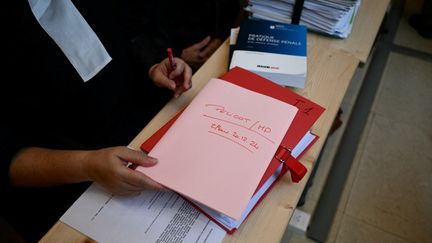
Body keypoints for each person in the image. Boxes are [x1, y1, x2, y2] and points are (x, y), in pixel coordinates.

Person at [0, 1, 192, 242]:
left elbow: (134, 28)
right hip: (66, 179)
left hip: (141, 133)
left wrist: (154, 65)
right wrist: (88, 165)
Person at [129, 0, 242, 72]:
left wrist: (219, 37)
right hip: (167, 63)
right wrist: (178, 55)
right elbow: (137, 34)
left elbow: (229, 7)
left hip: (216, 52)